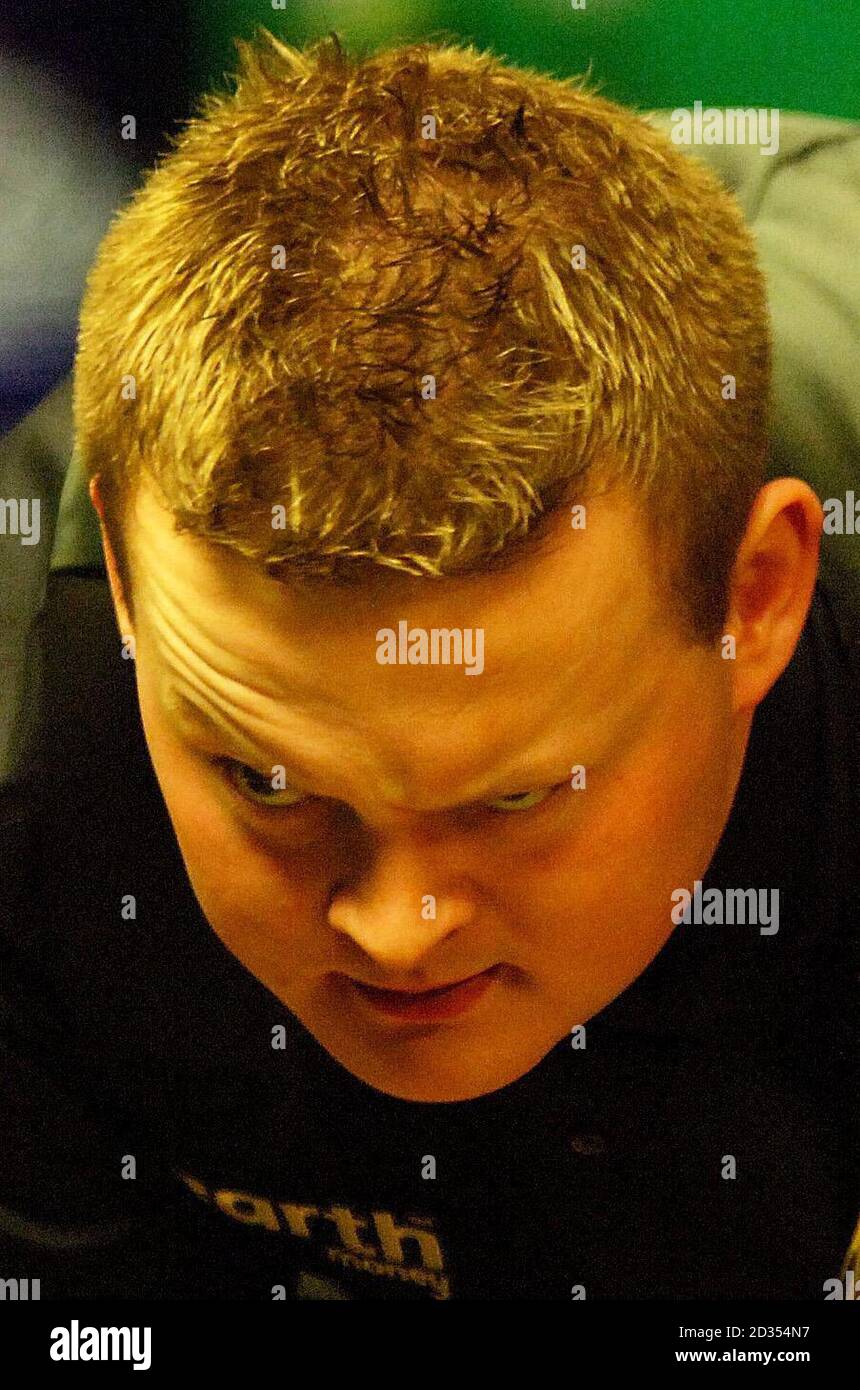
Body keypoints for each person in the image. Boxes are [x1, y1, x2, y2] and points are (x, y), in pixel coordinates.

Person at [1, 30, 856, 1300]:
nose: (395, 935)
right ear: (126, 585)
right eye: (268, 784)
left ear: (756, 597)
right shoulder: (25, 743)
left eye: (512, 795)